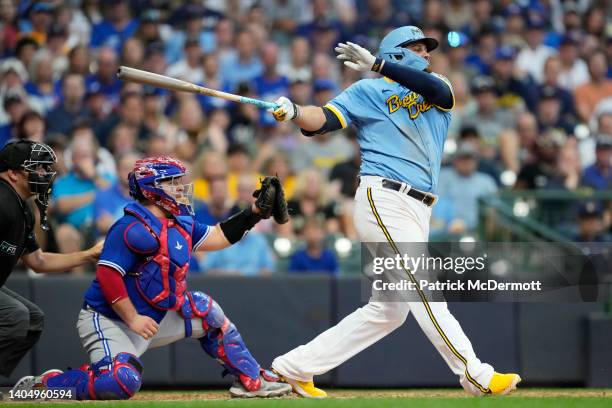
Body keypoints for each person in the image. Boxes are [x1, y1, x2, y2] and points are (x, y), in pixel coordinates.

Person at [267, 26, 520, 397]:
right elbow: (322, 120)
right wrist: (293, 112)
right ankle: (475, 374)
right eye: (417, 48)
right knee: (423, 288)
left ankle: (292, 368)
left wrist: (378, 64)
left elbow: (440, 92)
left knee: (389, 311)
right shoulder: (366, 91)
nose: (427, 54)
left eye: (427, 49)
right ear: (397, 52)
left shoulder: (437, 87)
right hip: (384, 197)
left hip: (420, 208)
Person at [12, 157, 291, 399]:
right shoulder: (130, 227)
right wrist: (132, 318)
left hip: (152, 319)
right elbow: (108, 276)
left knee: (205, 310)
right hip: (110, 320)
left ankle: (253, 379)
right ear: (152, 189)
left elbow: (218, 236)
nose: (181, 188)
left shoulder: (179, 221)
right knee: (121, 382)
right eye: (173, 182)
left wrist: (254, 214)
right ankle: (48, 386)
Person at [0, 140, 102, 380]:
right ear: (13, 174)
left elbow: (38, 261)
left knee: (32, 319)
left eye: (46, 168)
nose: (45, 174)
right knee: (16, 316)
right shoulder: (1, 201)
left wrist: (88, 254)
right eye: (38, 168)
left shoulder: (22, 207)